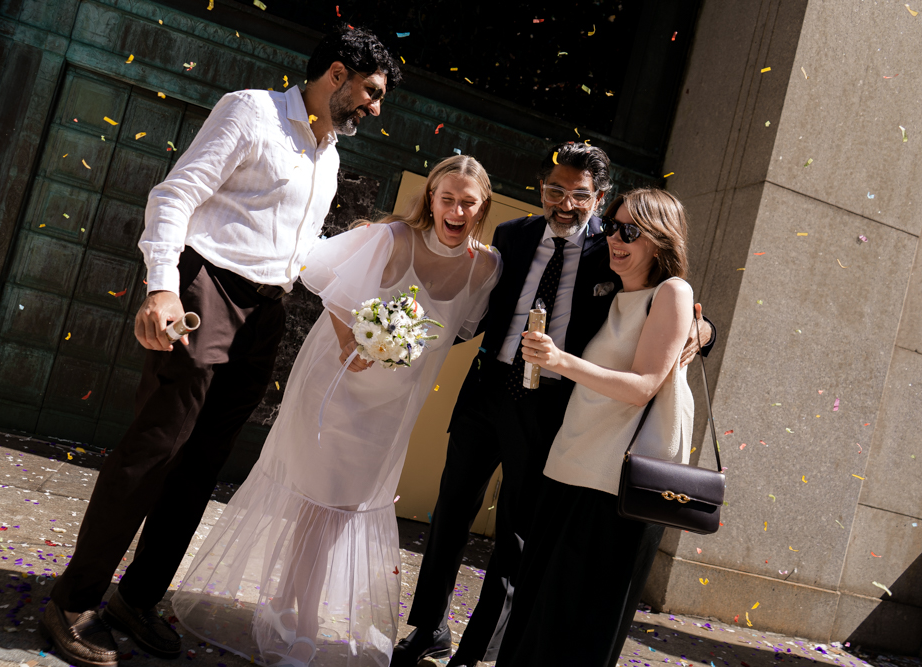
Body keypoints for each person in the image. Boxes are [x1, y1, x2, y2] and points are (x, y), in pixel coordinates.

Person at [38, 27, 402, 667]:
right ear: (337, 74)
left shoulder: (329, 154)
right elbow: (175, 195)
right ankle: (72, 600)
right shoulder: (252, 111)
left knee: (203, 463)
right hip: (206, 289)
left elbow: (300, 253)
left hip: (267, 309)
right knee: (157, 447)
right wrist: (162, 289)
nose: (375, 109)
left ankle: (136, 598)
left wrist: (359, 259)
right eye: (371, 92)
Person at [169, 155, 503, 667]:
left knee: (340, 512)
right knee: (318, 506)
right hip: (337, 389)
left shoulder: (487, 266)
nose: (456, 211)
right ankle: (305, 629)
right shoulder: (390, 239)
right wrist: (354, 342)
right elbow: (321, 272)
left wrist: (399, 348)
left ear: (482, 209)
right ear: (431, 198)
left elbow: (457, 328)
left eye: (467, 203)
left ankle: (283, 604)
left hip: (394, 405)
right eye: (447, 199)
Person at [394, 144, 714, 667]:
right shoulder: (511, 236)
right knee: (449, 516)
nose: (565, 204)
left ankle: (473, 653)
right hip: (485, 394)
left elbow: (669, 305)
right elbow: (475, 305)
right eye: (554, 191)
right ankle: (428, 627)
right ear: (540, 189)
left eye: (579, 196)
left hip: (548, 412)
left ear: (600, 197)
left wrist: (704, 329)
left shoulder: (610, 249)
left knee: (514, 539)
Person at [497, 188, 695, 666]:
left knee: (576, 628)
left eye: (631, 231)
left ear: (661, 241)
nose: (615, 239)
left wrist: (559, 360)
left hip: (613, 488)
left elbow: (643, 385)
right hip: (568, 470)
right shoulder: (614, 295)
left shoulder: (673, 292)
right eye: (611, 226)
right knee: (537, 615)